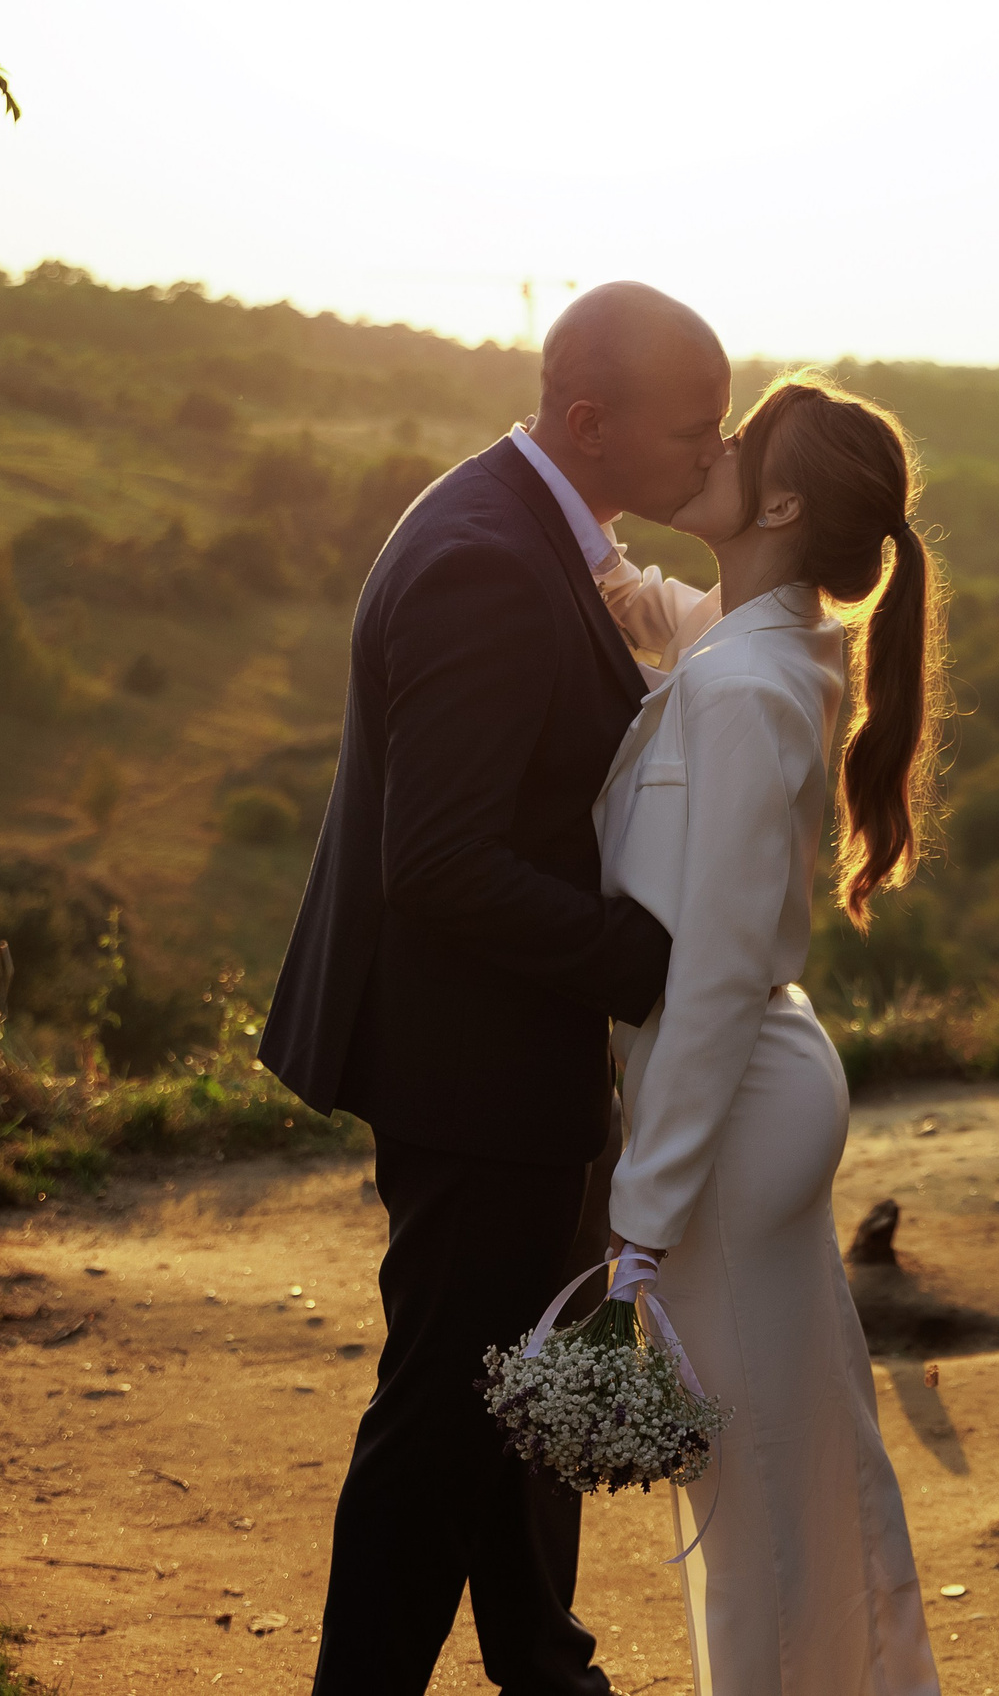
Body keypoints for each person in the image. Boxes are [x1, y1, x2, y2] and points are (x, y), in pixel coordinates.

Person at [258, 282, 731, 1696]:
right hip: (466, 1066)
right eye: (691, 435)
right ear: (589, 423)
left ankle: (547, 1667)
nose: (713, 461)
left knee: (528, 1395)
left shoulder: (526, 524)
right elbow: (443, 864)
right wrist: (656, 962)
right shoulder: (481, 556)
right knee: (440, 1425)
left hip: (506, 1055)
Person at [592, 370, 943, 1694]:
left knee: (751, 1503)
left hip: (731, 1114)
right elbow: (677, 620)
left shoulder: (745, 682)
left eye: (742, 442)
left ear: (784, 500)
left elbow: (720, 974)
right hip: (756, 1095)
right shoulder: (775, 637)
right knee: (802, 1470)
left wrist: (645, 1202)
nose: (717, 447)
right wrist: (582, 524)